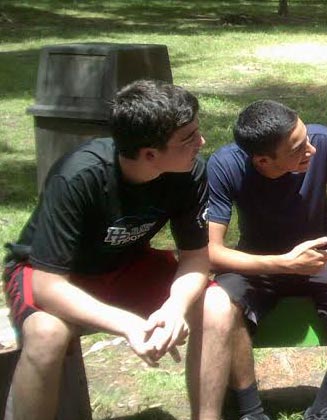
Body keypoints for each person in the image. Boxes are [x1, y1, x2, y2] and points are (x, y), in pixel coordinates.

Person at [2, 80, 210, 419]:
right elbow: (48, 287)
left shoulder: (189, 173)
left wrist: (175, 307)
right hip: (49, 272)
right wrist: (129, 325)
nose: (201, 142)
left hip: (124, 263)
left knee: (214, 302)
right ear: (150, 155)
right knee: (46, 334)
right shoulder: (79, 176)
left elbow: (196, 258)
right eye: (188, 137)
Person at [191, 100, 327, 420]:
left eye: (306, 137)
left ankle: (324, 407)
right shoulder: (225, 166)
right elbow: (211, 251)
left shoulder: (321, 142)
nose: (310, 150)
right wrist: (283, 263)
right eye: (297, 148)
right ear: (263, 161)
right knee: (220, 303)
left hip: (325, 256)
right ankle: (252, 411)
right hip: (258, 261)